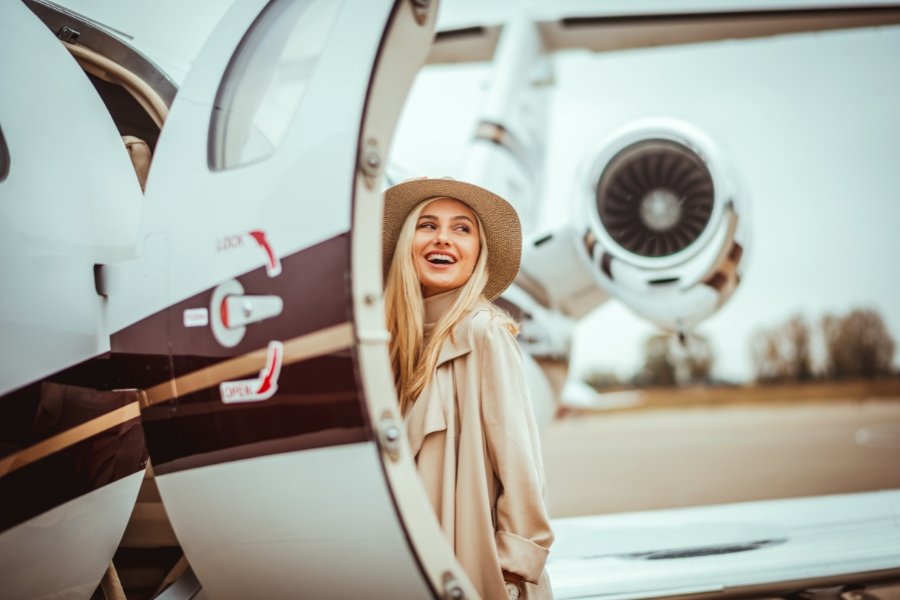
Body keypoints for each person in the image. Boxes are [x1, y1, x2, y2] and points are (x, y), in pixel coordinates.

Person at [382, 177, 554, 600]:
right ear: (406, 244)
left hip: (478, 572)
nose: (443, 238)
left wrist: (509, 572)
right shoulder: (387, 348)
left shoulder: (484, 332)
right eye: (427, 225)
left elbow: (520, 464)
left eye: (462, 229)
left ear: (477, 253)